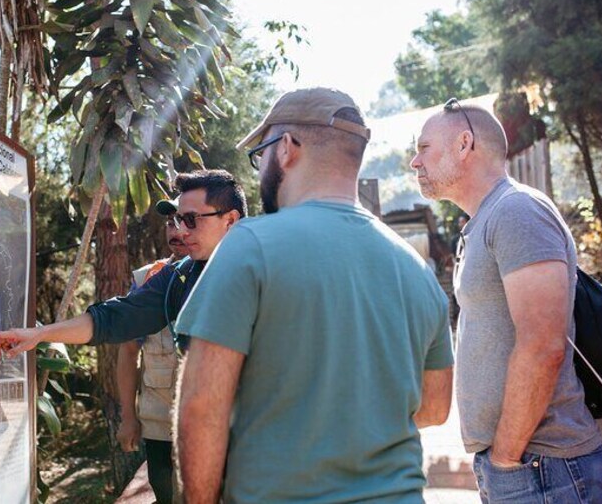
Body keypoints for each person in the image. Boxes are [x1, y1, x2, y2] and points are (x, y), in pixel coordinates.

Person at [175, 88, 454, 503]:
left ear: (286, 148)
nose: (259, 169)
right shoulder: (416, 270)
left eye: (261, 154)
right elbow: (435, 408)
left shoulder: (250, 244)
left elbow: (202, 408)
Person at [410, 98, 602, 502]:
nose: (415, 162)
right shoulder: (486, 221)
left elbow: (543, 346)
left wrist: (505, 457)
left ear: (464, 143)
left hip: (544, 468)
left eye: (423, 148)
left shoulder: (516, 211)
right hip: (527, 466)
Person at [0, 168, 246, 362]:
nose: (182, 232)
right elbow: (115, 317)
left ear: (230, 220)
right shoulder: (179, 276)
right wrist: (39, 335)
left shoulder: (270, 273)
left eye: (191, 219)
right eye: (178, 221)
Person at [116, 200, 189, 503]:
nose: (176, 230)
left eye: (186, 220)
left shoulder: (229, 274)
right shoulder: (148, 280)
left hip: (219, 421)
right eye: (171, 222)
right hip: (160, 425)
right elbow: (129, 351)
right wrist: (128, 417)